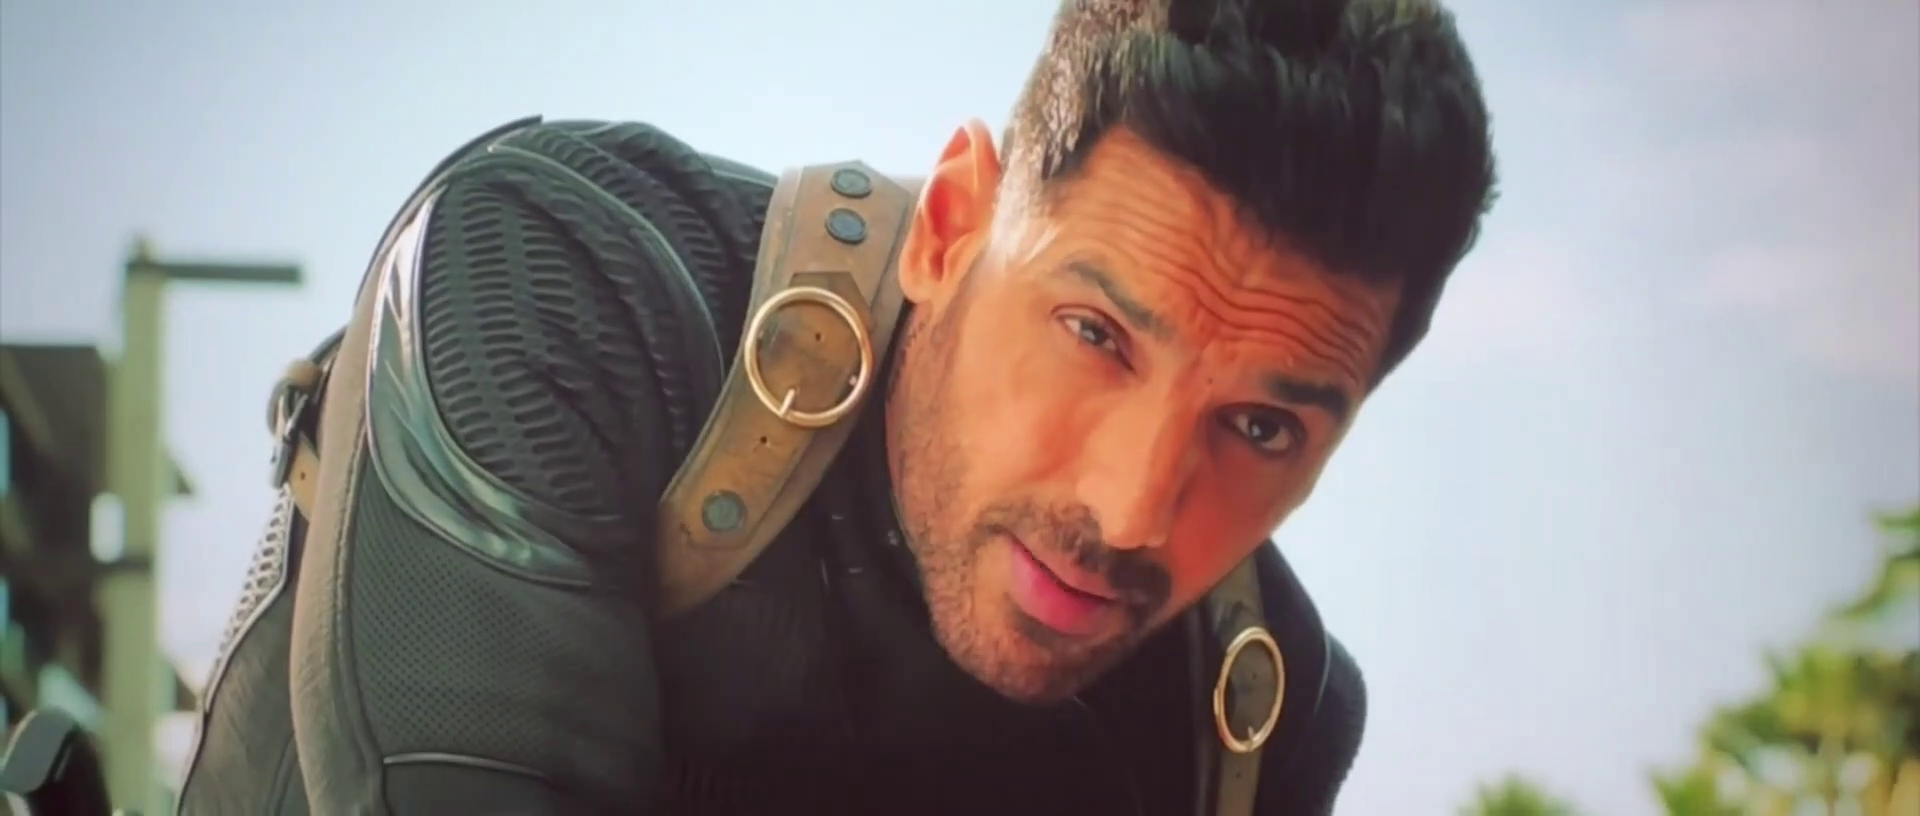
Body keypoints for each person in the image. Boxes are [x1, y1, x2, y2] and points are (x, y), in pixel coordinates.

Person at [172, 0, 1496, 813]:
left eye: (1262, 427)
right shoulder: (557, 283)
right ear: (952, 223)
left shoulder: (1249, 725)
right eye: (1095, 336)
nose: (1131, 509)